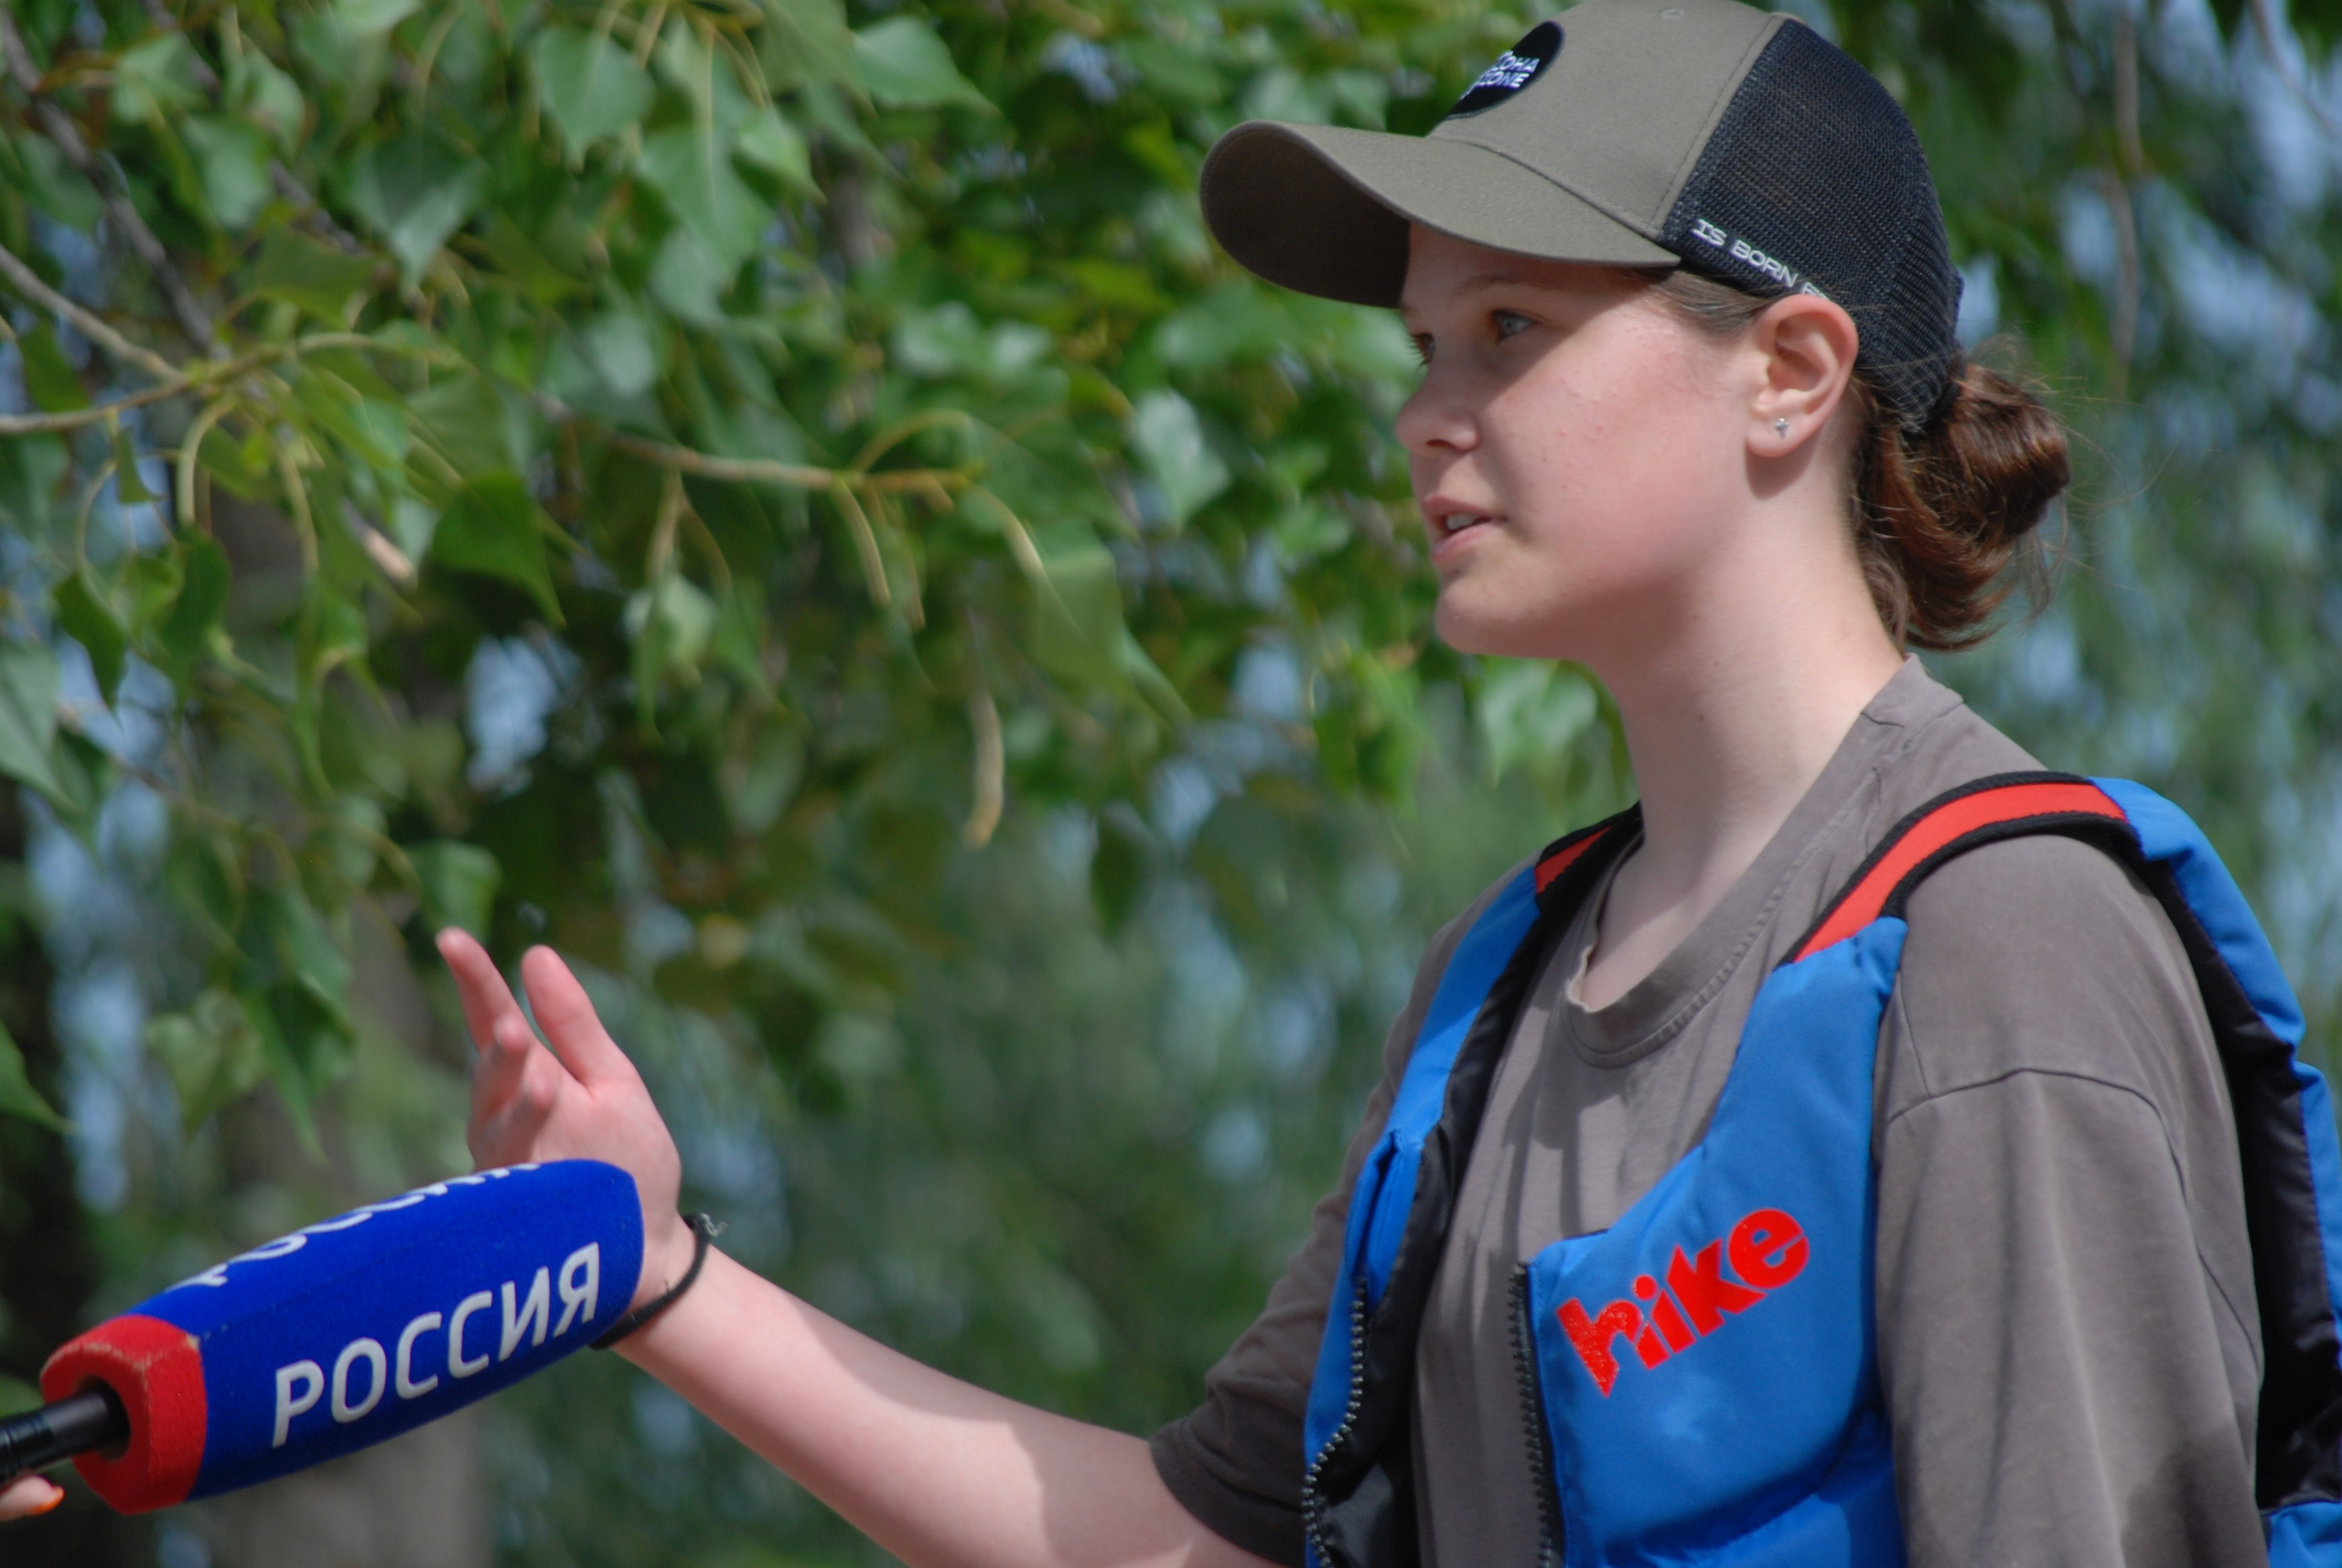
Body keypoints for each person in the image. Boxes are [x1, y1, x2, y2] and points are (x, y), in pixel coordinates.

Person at [23, 0, 2313, 1559]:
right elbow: (1186, 1536)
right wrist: (651, 1270)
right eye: (1420, 342)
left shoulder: (1999, 958)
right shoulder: (1503, 980)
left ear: (1788, 371)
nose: (1422, 409)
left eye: (1508, 330)